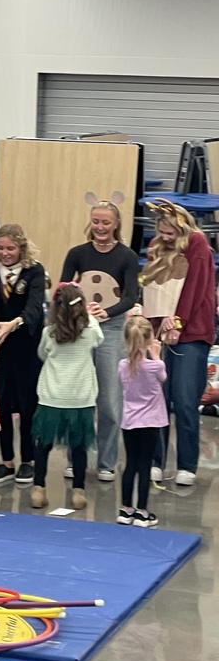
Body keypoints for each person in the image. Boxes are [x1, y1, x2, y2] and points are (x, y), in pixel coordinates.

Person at [59, 199, 139, 481]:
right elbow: (63, 288)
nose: (101, 227)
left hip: (113, 329)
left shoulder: (127, 257)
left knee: (109, 400)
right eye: (96, 222)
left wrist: (107, 311)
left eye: (106, 222)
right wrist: (78, 308)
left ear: (116, 224)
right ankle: (75, 458)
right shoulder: (77, 253)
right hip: (80, 330)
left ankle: (106, 462)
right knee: (79, 398)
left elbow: (131, 296)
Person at [140, 198, 216, 486]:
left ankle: (187, 464)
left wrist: (179, 321)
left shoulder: (196, 244)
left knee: (184, 400)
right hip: (161, 332)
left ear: (182, 227)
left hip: (192, 333)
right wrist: (153, 324)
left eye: (171, 233)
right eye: (161, 232)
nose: (166, 238)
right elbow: (152, 285)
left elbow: (195, 287)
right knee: (158, 398)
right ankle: (156, 460)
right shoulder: (158, 245)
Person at [31, 283, 104, 512]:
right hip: (80, 399)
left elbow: (42, 354)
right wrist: (89, 317)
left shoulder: (49, 333)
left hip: (51, 397)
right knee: (79, 447)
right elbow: (100, 340)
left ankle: (38, 489)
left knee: (43, 444)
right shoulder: (90, 332)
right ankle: (78, 492)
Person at [0, 225, 45, 487]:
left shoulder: (34, 272)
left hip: (26, 348)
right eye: (1, 248)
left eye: (10, 248)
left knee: (27, 405)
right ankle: (7, 460)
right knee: (1, 405)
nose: (6, 253)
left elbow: (34, 309)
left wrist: (14, 324)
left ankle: (28, 461)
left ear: (21, 248)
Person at [117, 315, 167, 528]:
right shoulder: (156, 366)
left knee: (130, 464)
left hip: (130, 421)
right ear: (148, 340)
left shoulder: (122, 365)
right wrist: (156, 355)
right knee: (145, 465)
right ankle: (143, 512)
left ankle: (126, 509)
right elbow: (163, 379)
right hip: (151, 422)